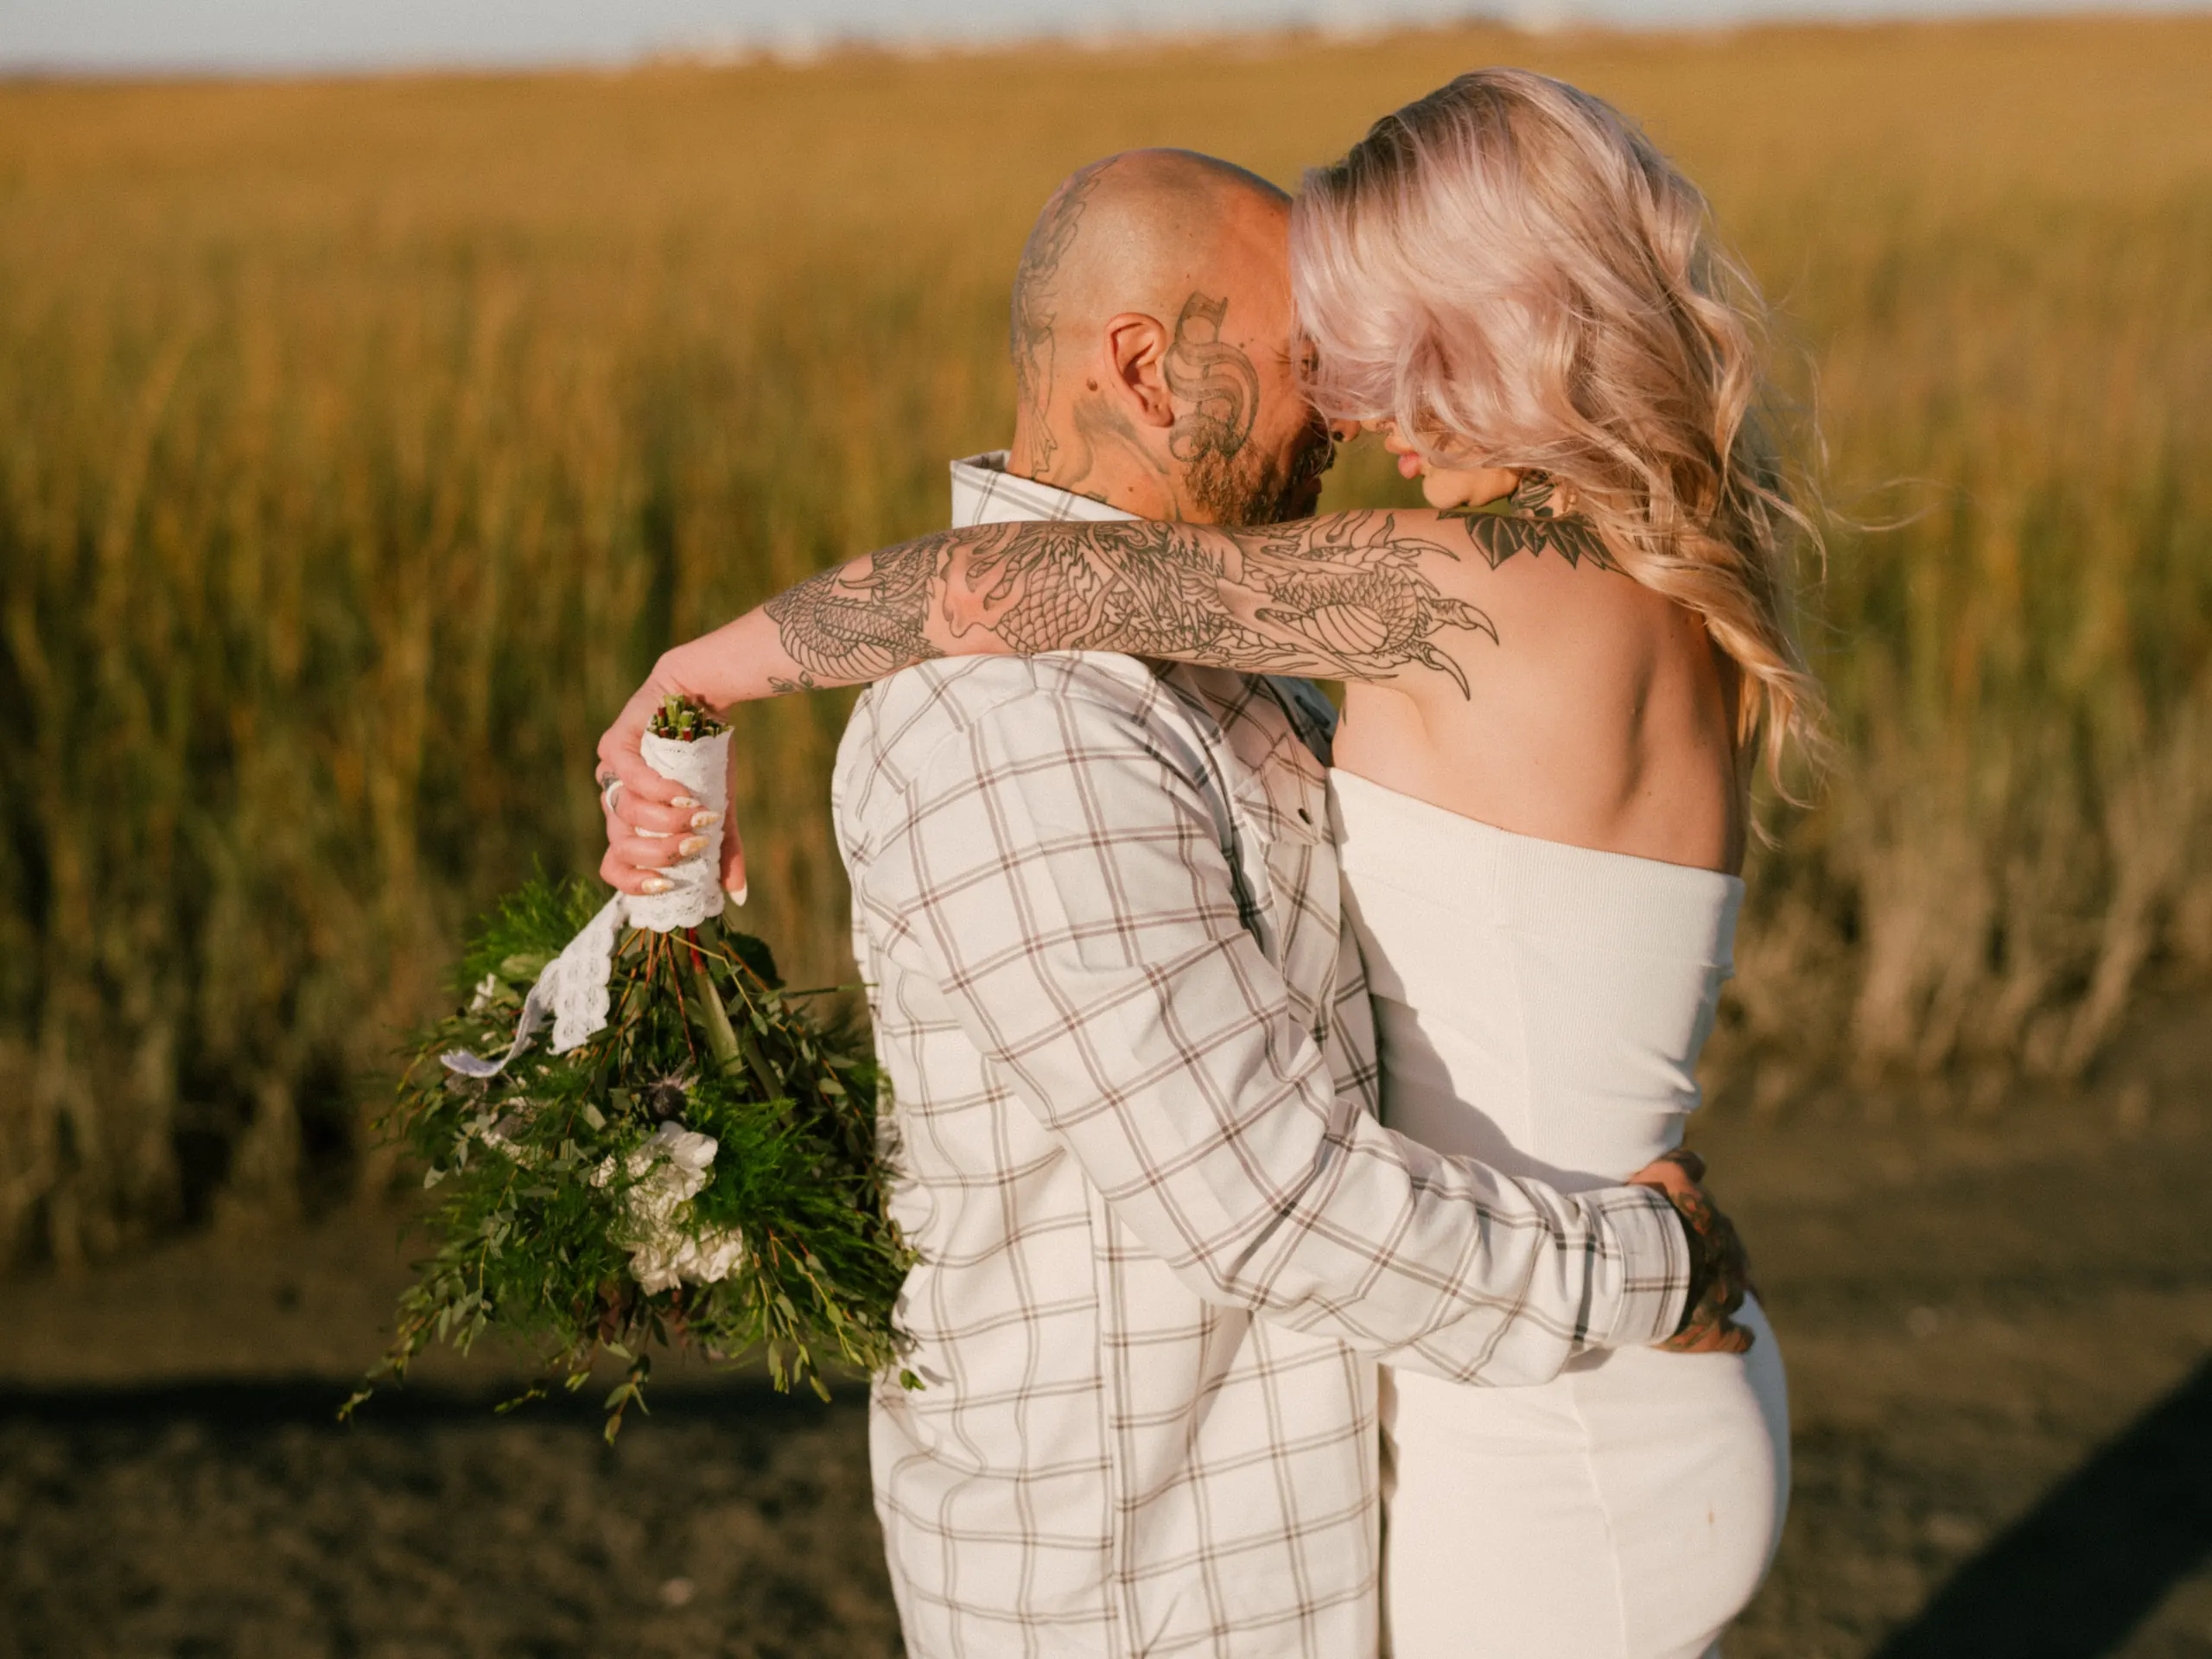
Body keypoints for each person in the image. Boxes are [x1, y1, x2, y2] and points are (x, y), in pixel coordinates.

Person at [596, 80, 1781, 1659]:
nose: (1352, 411)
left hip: (1532, 1426)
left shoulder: (1427, 609)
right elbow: (1270, 1203)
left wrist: (705, 670)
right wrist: (1654, 1265)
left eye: (1373, 351)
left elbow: (1020, 578)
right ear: (1149, 371)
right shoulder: (1055, 721)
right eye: (1318, 362)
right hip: (1189, 1571)